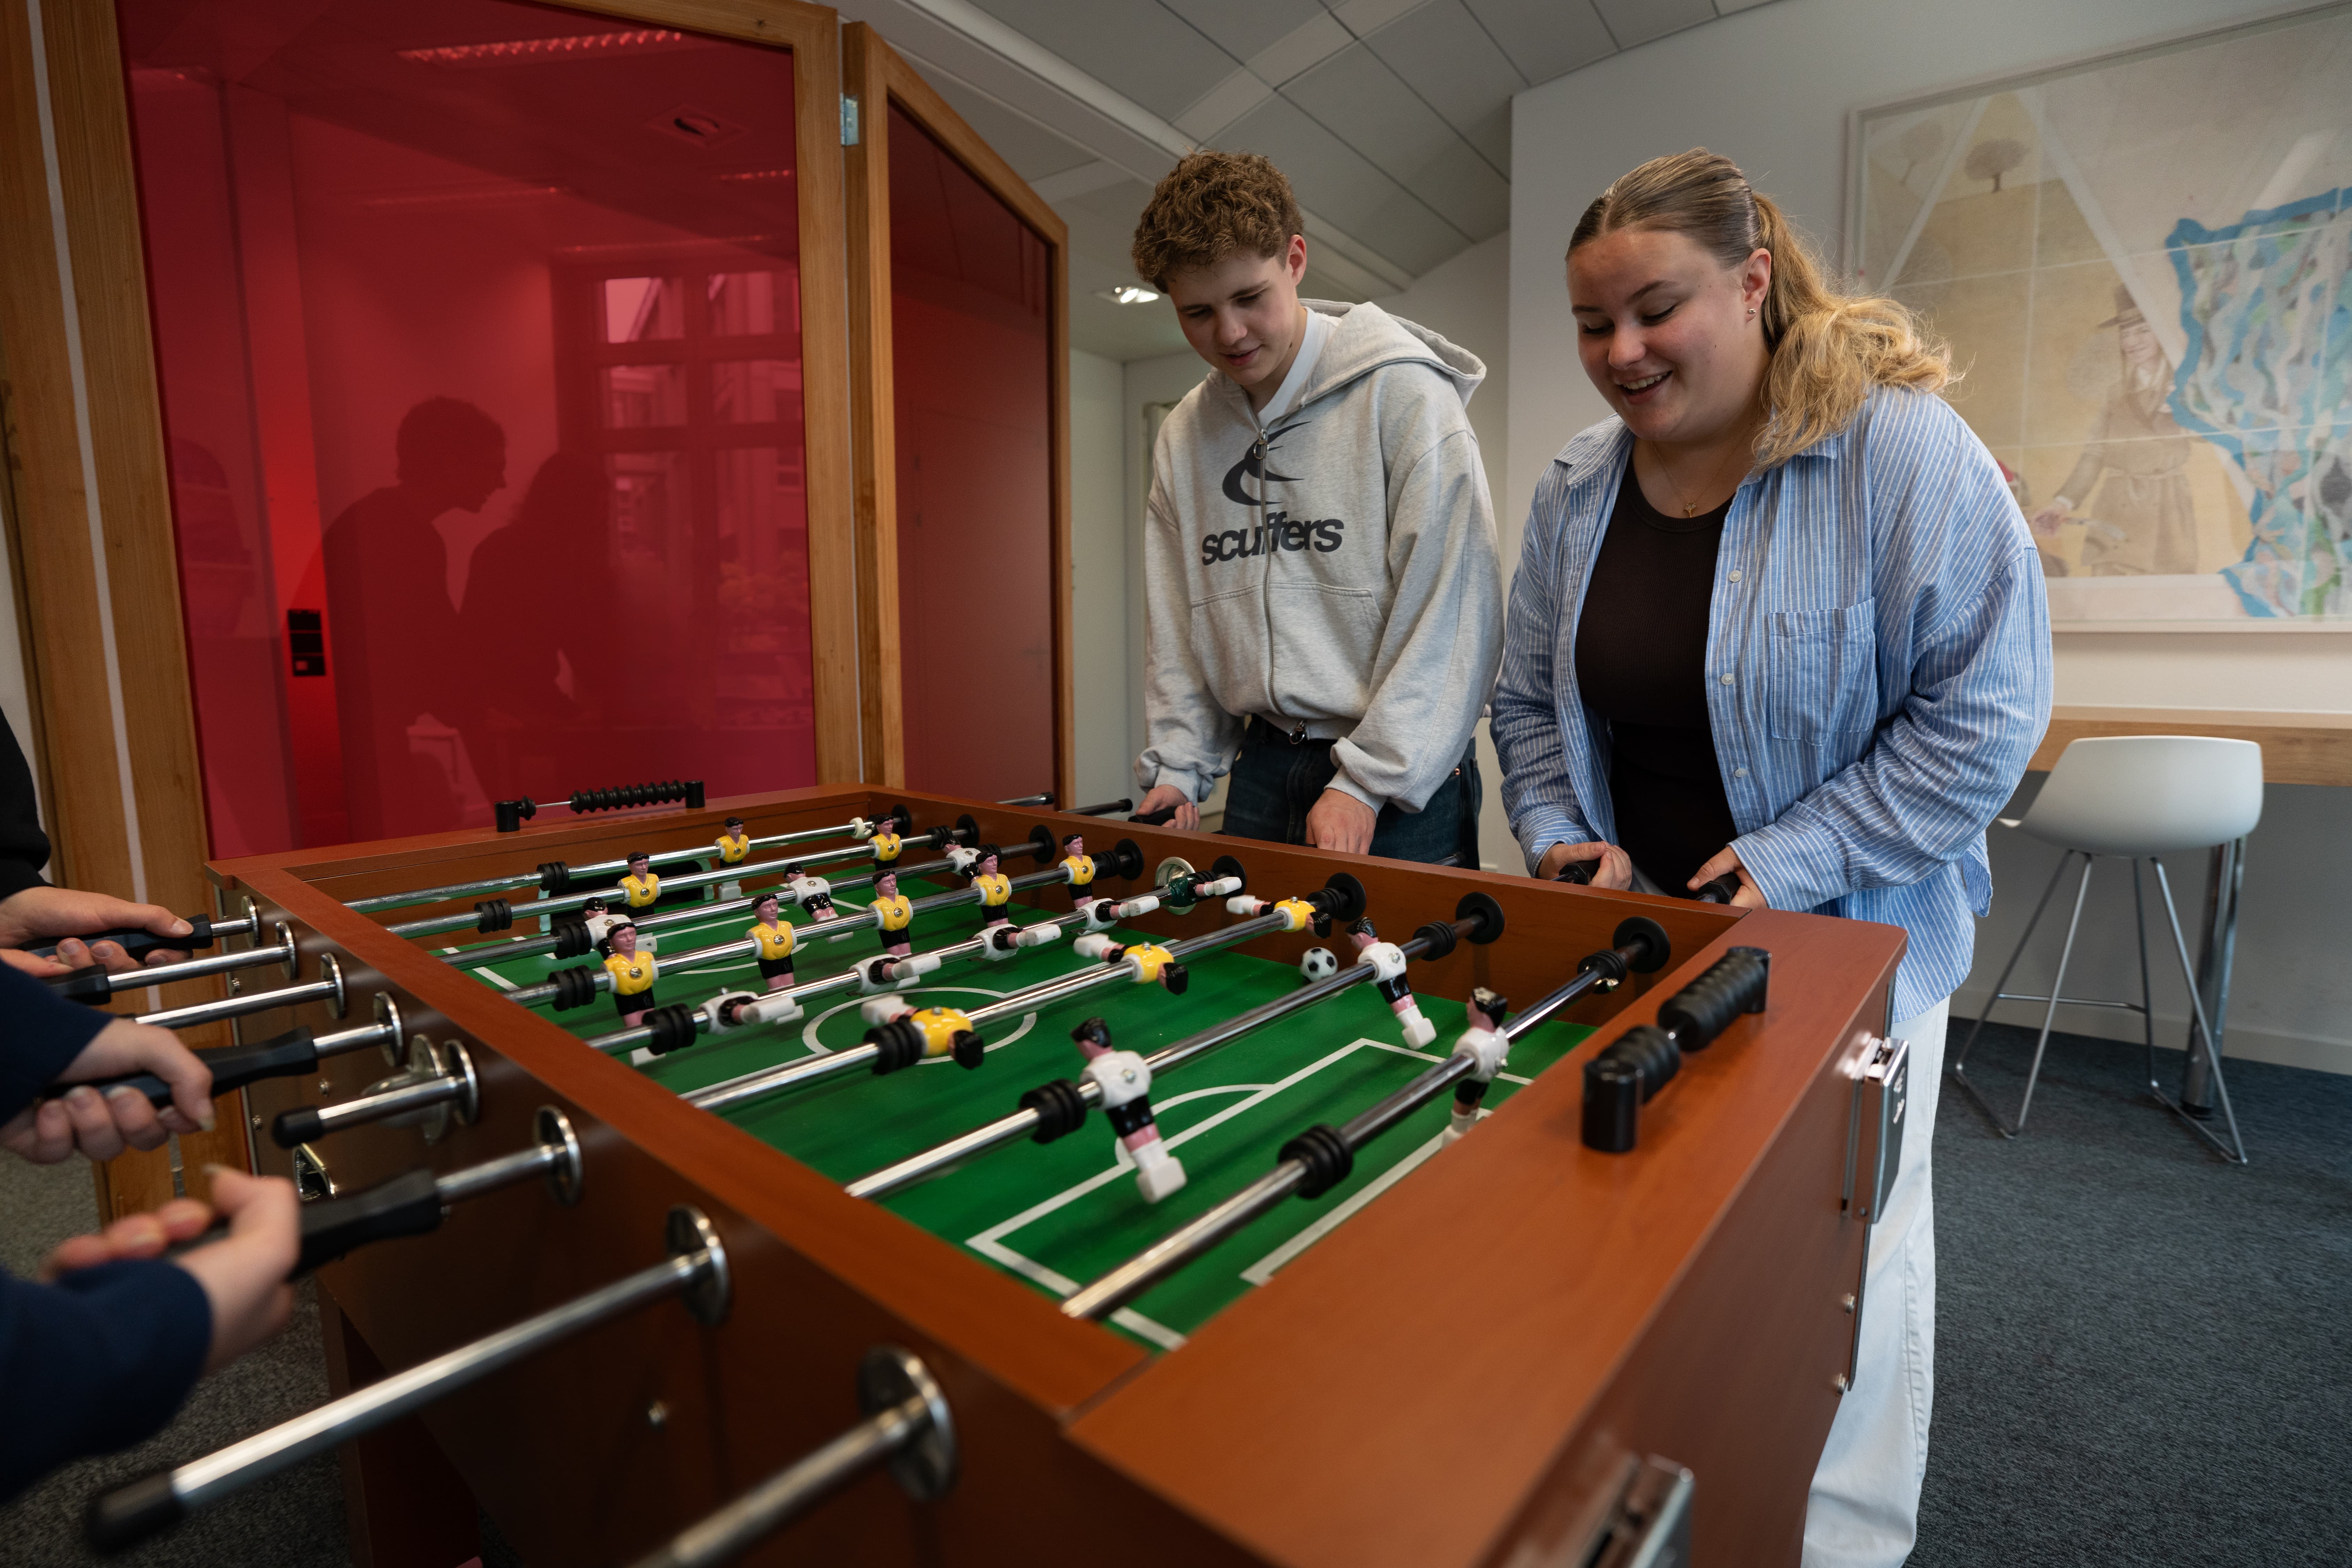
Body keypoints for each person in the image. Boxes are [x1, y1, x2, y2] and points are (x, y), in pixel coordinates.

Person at [1490, 150, 2050, 1568]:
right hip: (1646, 947)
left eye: (1653, 309)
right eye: (1589, 324)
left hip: (1846, 949)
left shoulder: (1898, 451)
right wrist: (1559, 835)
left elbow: (1981, 721)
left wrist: (1793, 856)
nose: (1618, 354)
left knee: (1846, 1277)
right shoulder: (1570, 489)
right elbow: (1522, 704)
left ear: (1750, 281)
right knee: (1657, 1253)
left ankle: (1844, 1549)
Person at [1126, 152, 1503, 865]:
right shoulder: (1184, 435)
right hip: (1261, 768)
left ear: (1294, 259)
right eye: (1197, 313)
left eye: (1249, 298)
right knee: (1251, 973)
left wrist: (1366, 782)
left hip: (1397, 775)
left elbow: (1453, 615)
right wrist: (1177, 768)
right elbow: (1177, 624)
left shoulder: (1404, 398)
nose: (1229, 334)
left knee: (1398, 977)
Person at [322, 397, 506, 839]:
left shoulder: (383, 524)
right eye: (491, 466)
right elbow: (438, 650)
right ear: (451, 461)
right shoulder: (401, 535)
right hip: (367, 742)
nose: (501, 482)